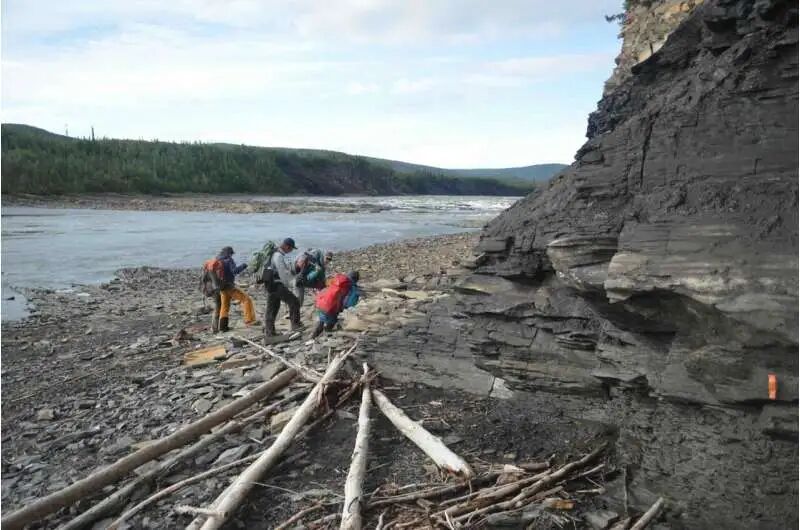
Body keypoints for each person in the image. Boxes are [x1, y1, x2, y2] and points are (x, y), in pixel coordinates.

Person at [263, 237, 303, 337]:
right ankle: (296, 325)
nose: (291, 250)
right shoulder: (278, 256)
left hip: (269, 284)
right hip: (276, 284)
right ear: (286, 246)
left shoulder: (273, 253)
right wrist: (292, 283)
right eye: (291, 248)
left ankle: (270, 333)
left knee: (272, 308)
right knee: (294, 302)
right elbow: (283, 273)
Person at [216, 246, 256, 332]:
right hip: (229, 286)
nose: (231, 255)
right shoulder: (229, 260)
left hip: (221, 287)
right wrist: (244, 265)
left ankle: (223, 327)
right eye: (231, 254)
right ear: (229, 253)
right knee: (246, 299)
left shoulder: (218, 259)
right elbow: (234, 271)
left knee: (224, 306)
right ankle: (249, 320)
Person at [311, 271, 360, 339]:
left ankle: (313, 337)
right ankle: (326, 337)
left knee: (322, 320)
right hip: (331, 307)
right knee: (332, 322)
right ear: (356, 280)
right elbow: (349, 304)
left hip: (321, 302)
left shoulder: (338, 278)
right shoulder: (352, 287)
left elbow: (326, 285)